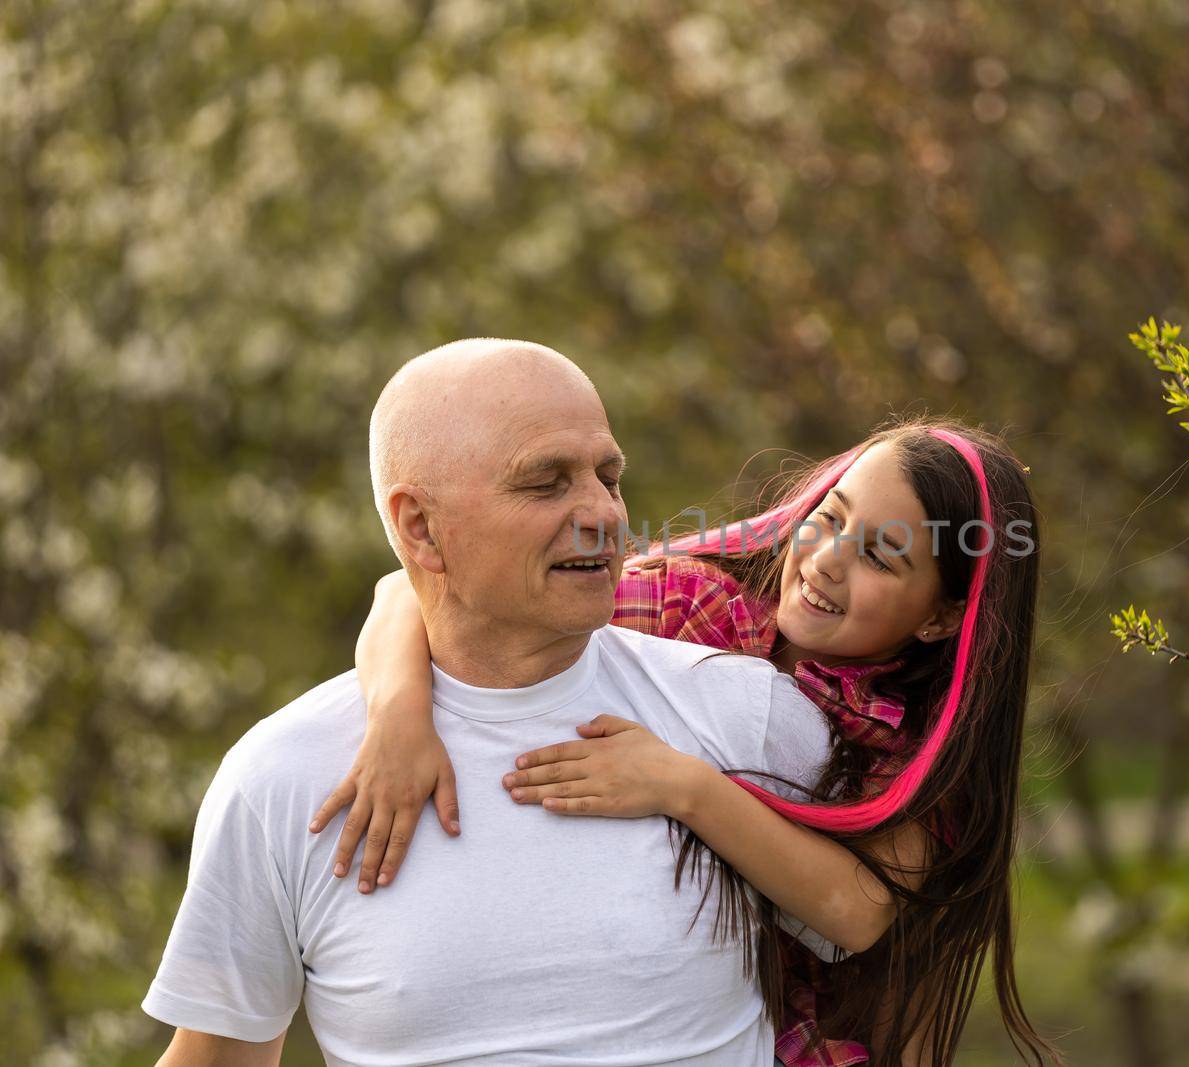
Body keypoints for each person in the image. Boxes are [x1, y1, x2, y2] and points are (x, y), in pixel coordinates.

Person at [142, 338, 836, 1066]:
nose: (604, 512)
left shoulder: (747, 717)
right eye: (547, 483)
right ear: (420, 528)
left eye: (609, 476)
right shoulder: (281, 779)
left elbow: (895, 961)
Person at [317, 413, 1061, 1065]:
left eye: (879, 556)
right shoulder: (689, 605)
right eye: (830, 517)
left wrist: (683, 784)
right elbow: (411, 591)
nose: (829, 558)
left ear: (938, 618)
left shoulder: (919, 749)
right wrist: (398, 713)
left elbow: (857, 909)